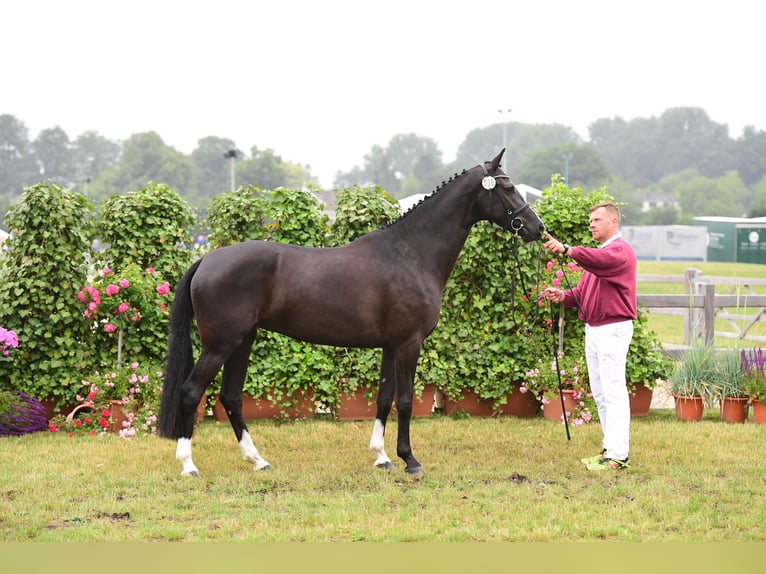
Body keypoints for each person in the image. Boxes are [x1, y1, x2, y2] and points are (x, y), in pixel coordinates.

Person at [541, 202, 637, 471]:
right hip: (594, 329)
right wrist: (561, 296)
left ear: (613, 223)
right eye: (590, 220)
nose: (591, 224)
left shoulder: (620, 252)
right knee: (601, 392)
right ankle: (610, 451)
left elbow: (599, 261)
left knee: (613, 390)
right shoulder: (599, 255)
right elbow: (581, 295)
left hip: (612, 328)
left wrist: (567, 250)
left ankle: (619, 455)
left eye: (597, 220)